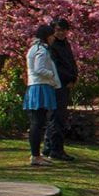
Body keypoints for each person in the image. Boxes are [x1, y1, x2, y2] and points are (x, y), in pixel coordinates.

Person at [24, 24, 61, 167]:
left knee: (38, 122)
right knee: (37, 122)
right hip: (40, 86)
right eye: (52, 35)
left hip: (38, 86)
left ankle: (36, 154)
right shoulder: (40, 50)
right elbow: (39, 69)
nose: (53, 38)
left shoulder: (37, 48)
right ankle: (35, 155)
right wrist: (51, 75)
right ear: (47, 36)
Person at [44, 18, 78, 162]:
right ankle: (55, 149)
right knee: (57, 117)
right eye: (58, 30)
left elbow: (70, 62)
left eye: (64, 30)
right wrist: (69, 78)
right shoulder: (52, 46)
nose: (61, 33)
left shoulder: (65, 44)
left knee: (58, 116)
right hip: (58, 85)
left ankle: (49, 147)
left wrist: (74, 77)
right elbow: (56, 67)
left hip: (66, 84)